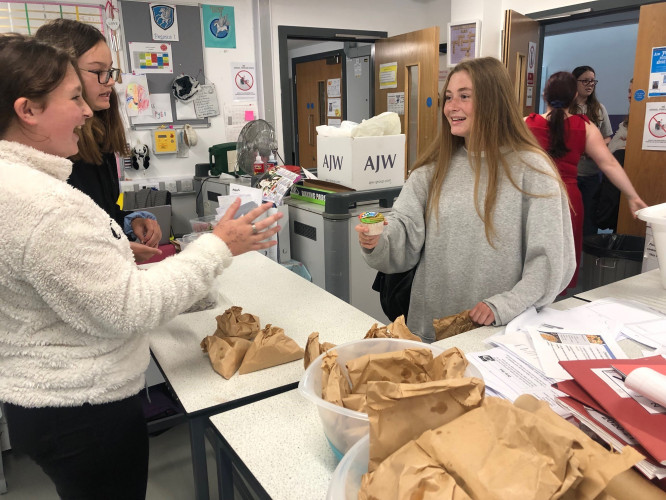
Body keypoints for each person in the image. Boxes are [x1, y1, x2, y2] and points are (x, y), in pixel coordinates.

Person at [0, 33, 282, 499]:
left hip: (48, 403)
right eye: (75, 97)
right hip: (82, 410)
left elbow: (48, 270)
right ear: (27, 109)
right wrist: (217, 246)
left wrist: (114, 248)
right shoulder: (45, 206)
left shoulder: (20, 183)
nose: (89, 110)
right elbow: (131, 308)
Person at [356, 57, 576, 342]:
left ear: (493, 101)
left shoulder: (533, 170)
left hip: (497, 332)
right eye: (448, 97)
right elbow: (405, 229)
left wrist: (505, 304)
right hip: (430, 331)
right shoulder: (432, 168)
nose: (451, 107)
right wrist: (379, 239)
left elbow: (550, 261)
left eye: (464, 96)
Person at [35, 19, 162, 263]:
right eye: (98, 71)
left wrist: (131, 221)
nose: (111, 81)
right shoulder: (49, 153)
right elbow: (59, 244)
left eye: (110, 71)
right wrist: (114, 248)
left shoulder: (99, 138)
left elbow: (101, 213)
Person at [525, 72, 646, 289]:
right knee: (563, 255)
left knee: (529, 251)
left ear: (544, 95)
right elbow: (608, 163)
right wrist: (632, 196)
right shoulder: (585, 126)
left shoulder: (527, 124)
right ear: (574, 96)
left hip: (534, 197)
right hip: (569, 199)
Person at [569, 65, 613, 237]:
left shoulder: (599, 108)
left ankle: (587, 258)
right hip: (570, 174)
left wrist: (595, 148)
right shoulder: (565, 108)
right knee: (569, 218)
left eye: (593, 81)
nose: (589, 84)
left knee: (588, 221)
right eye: (585, 80)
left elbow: (607, 136)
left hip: (591, 175)